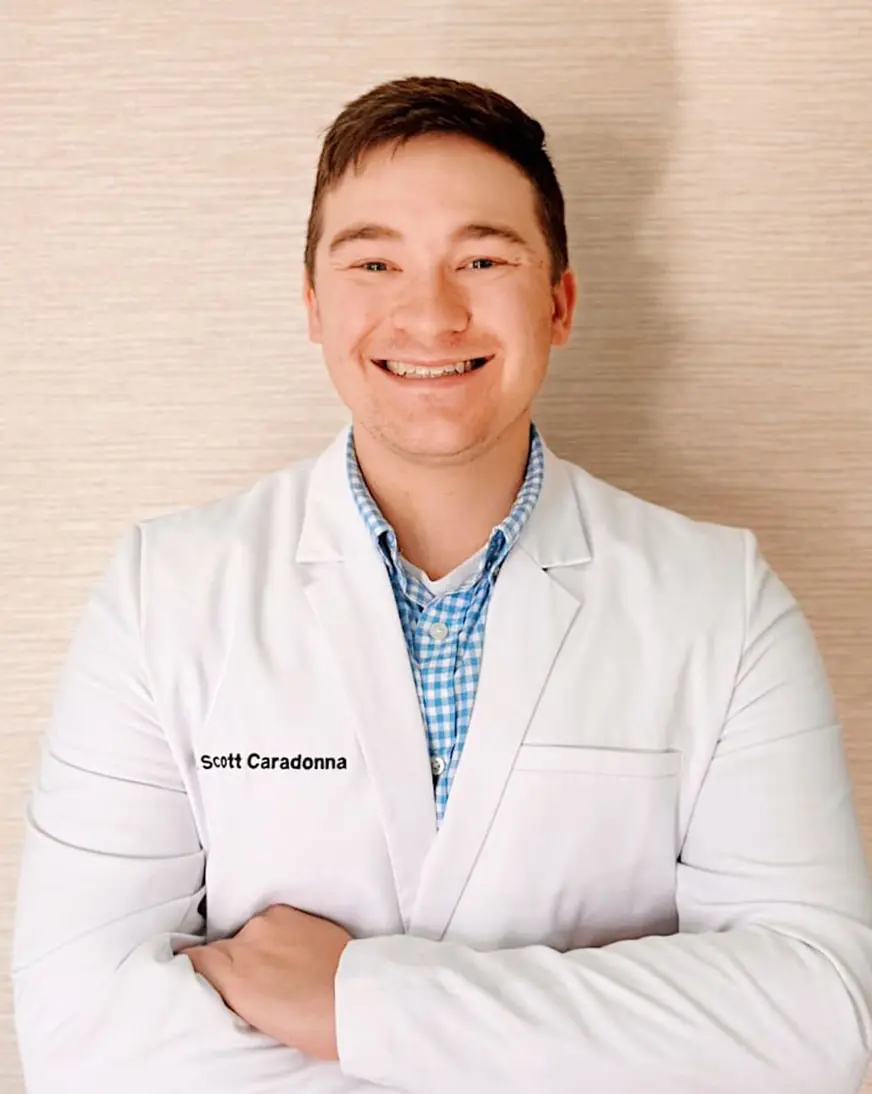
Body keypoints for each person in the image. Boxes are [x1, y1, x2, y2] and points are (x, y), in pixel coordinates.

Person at [11, 74, 872, 1094]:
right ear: (313, 305)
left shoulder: (719, 600)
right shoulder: (165, 588)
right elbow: (78, 1029)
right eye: (373, 260)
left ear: (557, 301)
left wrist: (358, 1002)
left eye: (481, 257)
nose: (428, 311)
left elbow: (819, 1015)